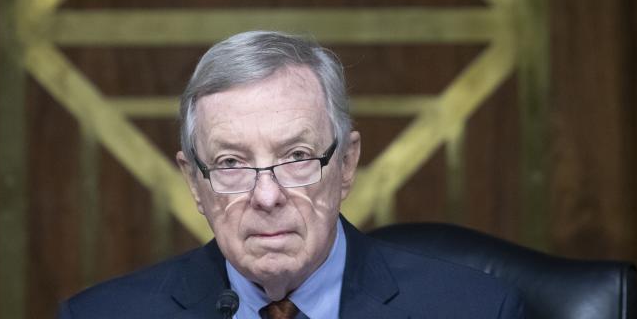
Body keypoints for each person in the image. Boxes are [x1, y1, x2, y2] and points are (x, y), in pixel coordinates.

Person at [59, 31, 524, 318]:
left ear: (345, 165)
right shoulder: (99, 316)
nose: (266, 196)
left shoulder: (478, 310)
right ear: (194, 184)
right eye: (231, 163)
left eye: (297, 155)